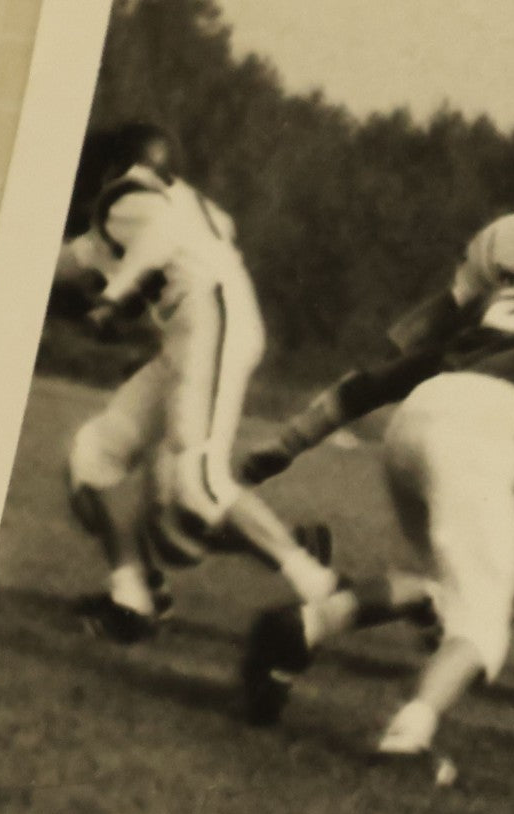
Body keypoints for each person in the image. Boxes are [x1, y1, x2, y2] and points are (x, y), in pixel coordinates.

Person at [241, 153, 514, 672]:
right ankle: (457, 614)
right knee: (460, 512)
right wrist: (391, 355)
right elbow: (448, 311)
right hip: (510, 400)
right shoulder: (509, 241)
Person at [238, 286, 514, 768]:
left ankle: (304, 625)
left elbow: (379, 381)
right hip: (478, 433)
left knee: (438, 589)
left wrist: (290, 440)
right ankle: (407, 737)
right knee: (482, 627)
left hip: (417, 418)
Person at [52, 122, 337, 642]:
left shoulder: (135, 199)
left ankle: (322, 586)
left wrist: (114, 295)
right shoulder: (167, 206)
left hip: (209, 324)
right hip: (190, 334)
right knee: (89, 459)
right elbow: (75, 259)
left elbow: (154, 238)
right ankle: (132, 598)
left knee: (195, 486)